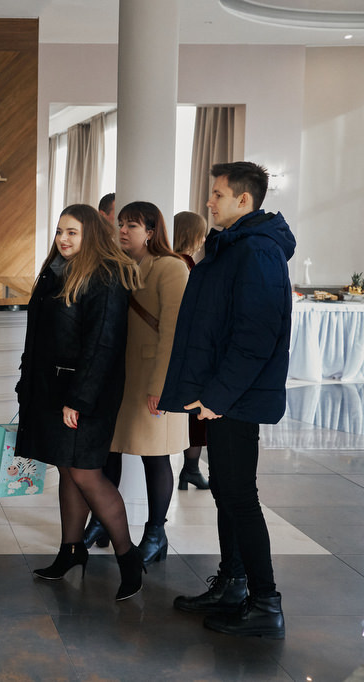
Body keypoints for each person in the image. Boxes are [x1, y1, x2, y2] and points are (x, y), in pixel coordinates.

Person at [160, 161, 295, 639]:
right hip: (222, 394)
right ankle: (233, 584)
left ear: (244, 199)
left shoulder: (257, 251)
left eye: (217, 194)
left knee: (239, 496)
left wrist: (217, 396)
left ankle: (266, 603)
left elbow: (255, 336)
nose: (209, 201)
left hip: (235, 396)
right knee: (225, 491)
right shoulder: (234, 244)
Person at [16, 204, 144, 600]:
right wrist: (27, 384)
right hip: (52, 390)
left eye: (72, 232)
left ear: (91, 234)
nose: (63, 239)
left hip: (85, 394)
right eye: (59, 231)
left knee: (86, 473)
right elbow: (39, 336)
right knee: (67, 469)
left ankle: (129, 558)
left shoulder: (106, 276)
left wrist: (79, 400)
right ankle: (71, 551)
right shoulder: (55, 272)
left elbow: (103, 346)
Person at [104, 201, 189, 565]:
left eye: (132, 225)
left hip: (154, 378)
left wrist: (161, 386)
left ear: (151, 232)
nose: (123, 230)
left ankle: (155, 533)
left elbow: (173, 332)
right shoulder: (119, 265)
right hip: (121, 377)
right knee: (109, 450)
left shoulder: (170, 267)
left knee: (155, 456)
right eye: (121, 224)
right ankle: (101, 521)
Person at [172, 210, 210, 490]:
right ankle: (191, 468)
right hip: (187, 348)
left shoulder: (173, 261)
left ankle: (191, 469)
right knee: (194, 411)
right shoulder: (183, 265)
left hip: (181, 346)